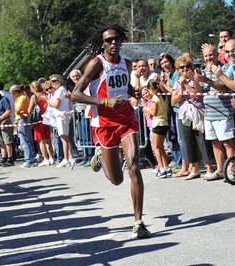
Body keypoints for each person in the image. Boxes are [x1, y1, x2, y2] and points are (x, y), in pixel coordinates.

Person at [71, 24, 151, 239]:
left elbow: (122, 87)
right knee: (116, 180)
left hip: (126, 119)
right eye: (109, 40)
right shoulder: (96, 64)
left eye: (116, 39)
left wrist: (132, 91)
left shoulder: (126, 63)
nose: (113, 43)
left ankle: (138, 222)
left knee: (134, 167)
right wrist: (104, 101)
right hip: (104, 123)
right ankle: (100, 153)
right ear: (103, 43)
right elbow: (75, 95)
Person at [172, 56, 214, 180]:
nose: (185, 69)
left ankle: (209, 168)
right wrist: (180, 88)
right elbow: (174, 101)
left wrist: (187, 84)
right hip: (184, 114)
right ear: (178, 69)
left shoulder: (195, 79)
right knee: (187, 141)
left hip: (197, 112)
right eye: (182, 67)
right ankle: (194, 168)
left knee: (202, 140)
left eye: (187, 66)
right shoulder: (177, 83)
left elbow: (196, 95)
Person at [197, 44, 235, 181]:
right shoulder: (204, 71)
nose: (208, 58)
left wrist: (208, 79)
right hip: (209, 113)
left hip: (223, 112)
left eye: (211, 55)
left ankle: (231, 169)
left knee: (227, 142)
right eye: (206, 56)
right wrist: (197, 80)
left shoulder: (224, 68)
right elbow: (200, 91)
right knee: (215, 143)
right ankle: (219, 170)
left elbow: (224, 87)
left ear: (217, 55)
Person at [46, 77, 75, 168]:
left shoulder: (60, 90)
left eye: (55, 81)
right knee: (65, 137)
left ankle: (66, 158)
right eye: (52, 81)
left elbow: (56, 105)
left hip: (61, 115)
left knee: (64, 137)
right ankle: (70, 158)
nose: (53, 83)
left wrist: (47, 101)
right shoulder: (60, 90)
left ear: (59, 81)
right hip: (62, 115)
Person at [143, 80, 171, 178]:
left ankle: (161, 168)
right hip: (164, 122)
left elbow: (154, 112)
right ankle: (166, 166)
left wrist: (147, 109)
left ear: (151, 89)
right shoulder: (163, 96)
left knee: (156, 147)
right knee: (161, 146)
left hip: (158, 123)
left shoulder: (155, 97)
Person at [70, 69, 94, 166]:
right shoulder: (75, 88)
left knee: (87, 135)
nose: (76, 78)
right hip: (79, 113)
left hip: (86, 112)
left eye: (77, 75)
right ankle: (85, 156)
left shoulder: (86, 85)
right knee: (81, 136)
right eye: (73, 77)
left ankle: (91, 156)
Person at [10, 84, 37, 168]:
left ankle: (29, 160)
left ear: (15, 92)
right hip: (25, 120)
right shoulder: (23, 97)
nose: (10, 94)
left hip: (22, 120)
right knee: (29, 140)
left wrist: (19, 113)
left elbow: (18, 110)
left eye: (11, 92)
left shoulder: (21, 98)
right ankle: (32, 159)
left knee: (24, 141)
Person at [28, 81, 54, 166]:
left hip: (39, 120)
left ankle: (45, 158)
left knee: (41, 141)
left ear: (34, 88)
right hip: (47, 119)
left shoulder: (34, 97)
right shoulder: (46, 94)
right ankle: (51, 158)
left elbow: (29, 110)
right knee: (48, 140)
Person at [0, 86, 14, 166]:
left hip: (4, 121)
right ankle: (3, 158)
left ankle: (10, 158)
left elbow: (9, 110)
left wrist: (1, 117)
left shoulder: (4, 99)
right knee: (1, 142)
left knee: (7, 141)